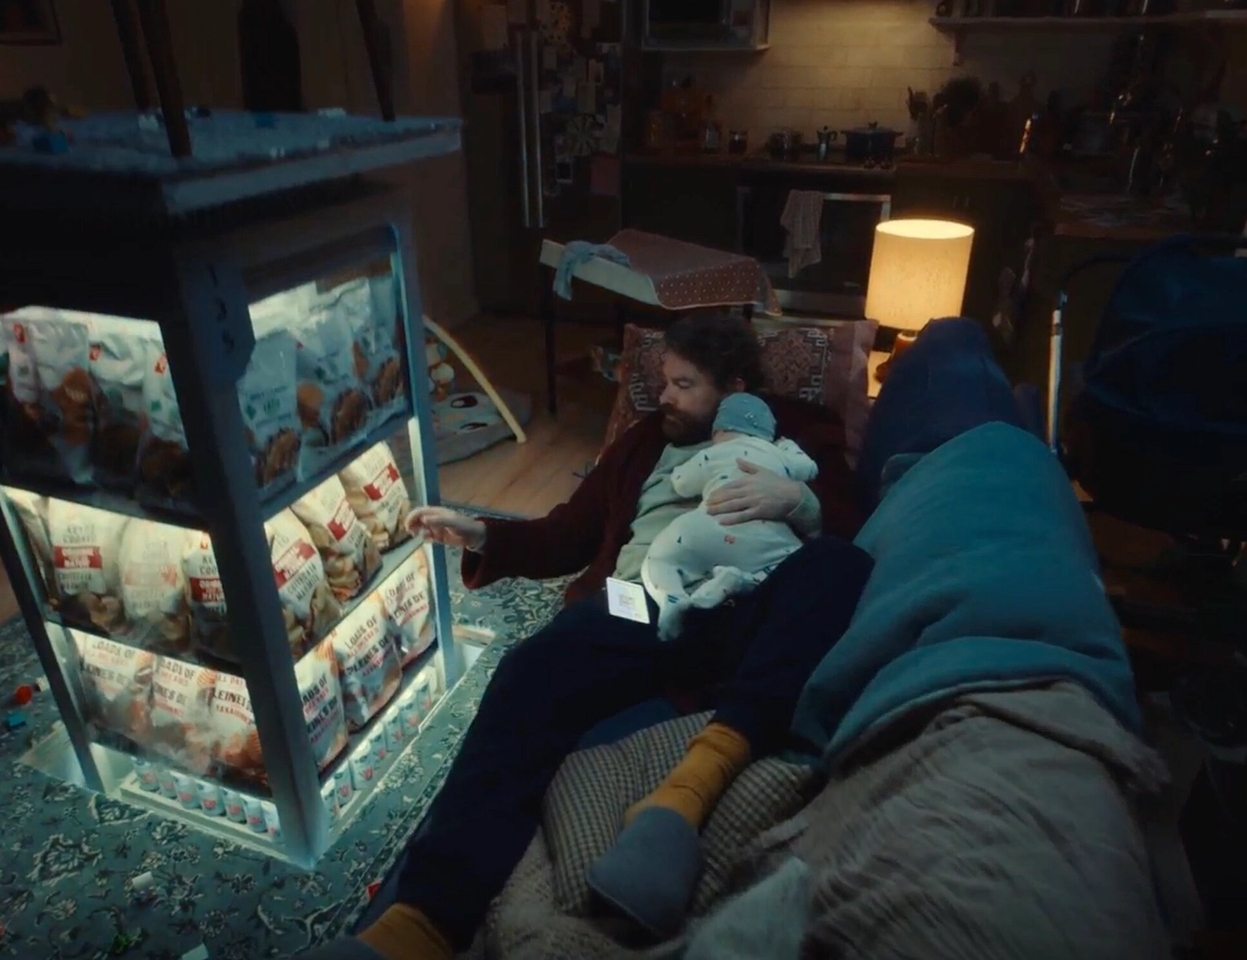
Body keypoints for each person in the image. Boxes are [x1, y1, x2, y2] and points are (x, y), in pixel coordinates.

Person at [301, 313, 871, 960]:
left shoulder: (794, 430)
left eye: (684, 384)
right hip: (641, 600)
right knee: (532, 666)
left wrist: (800, 502)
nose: (666, 396)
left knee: (839, 568)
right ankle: (423, 922)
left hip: (746, 601)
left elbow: (856, 519)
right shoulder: (644, 442)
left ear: (734, 386)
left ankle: (691, 789)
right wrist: (484, 532)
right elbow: (568, 532)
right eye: (663, 379)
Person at [642, 392, 819, 640]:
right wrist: (788, 447)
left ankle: (671, 598)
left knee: (660, 558)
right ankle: (737, 580)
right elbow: (810, 468)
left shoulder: (711, 454)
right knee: (787, 566)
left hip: (709, 526)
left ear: (717, 431)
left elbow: (681, 483)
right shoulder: (779, 454)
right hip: (766, 539)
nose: (664, 396)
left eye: (684, 384)